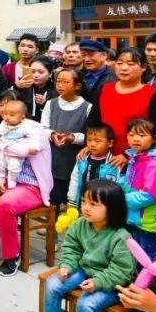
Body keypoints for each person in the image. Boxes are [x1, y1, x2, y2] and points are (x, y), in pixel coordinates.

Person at [37, 179, 135, 312]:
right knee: (53, 284)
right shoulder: (80, 224)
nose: (86, 208)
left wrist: (98, 282)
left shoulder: (121, 236)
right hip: (84, 269)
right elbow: (71, 247)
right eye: (83, 201)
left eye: (93, 204)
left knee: (86, 304)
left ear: (112, 209)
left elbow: (123, 271)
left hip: (112, 283)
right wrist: (67, 265)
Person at [0, 95, 54, 277]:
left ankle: (11, 256)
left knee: (4, 205)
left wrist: (2, 145)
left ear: (22, 112)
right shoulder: (3, 129)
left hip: (31, 185)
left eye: (9, 109)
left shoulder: (35, 129)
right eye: (2, 107)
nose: (4, 113)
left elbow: (27, 150)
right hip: (4, 181)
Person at [85, 47, 156, 168]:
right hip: (105, 159)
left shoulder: (154, 95)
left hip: (138, 163)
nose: (124, 68)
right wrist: (89, 145)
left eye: (131, 64)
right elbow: (93, 122)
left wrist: (128, 154)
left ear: (143, 67)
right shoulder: (104, 90)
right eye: (119, 63)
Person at [116, 118, 156, 259]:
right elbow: (130, 183)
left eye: (142, 135)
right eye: (131, 135)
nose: (136, 139)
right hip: (136, 218)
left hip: (149, 222)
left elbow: (151, 195)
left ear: (154, 139)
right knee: (137, 256)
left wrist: (119, 199)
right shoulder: (136, 157)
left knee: (149, 258)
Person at [41, 67, 91, 208]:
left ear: (77, 85)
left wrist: (72, 138)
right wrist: (52, 135)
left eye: (66, 82)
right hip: (53, 158)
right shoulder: (50, 104)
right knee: (53, 197)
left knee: (73, 194)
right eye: (58, 82)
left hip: (74, 159)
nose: (60, 85)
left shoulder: (87, 107)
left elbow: (89, 136)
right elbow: (42, 128)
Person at [57, 125, 115, 230]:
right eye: (89, 140)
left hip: (102, 208)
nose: (92, 144)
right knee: (82, 229)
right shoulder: (82, 160)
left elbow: (116, 188)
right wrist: (71, 201)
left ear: (110, 143)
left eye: (98, 141)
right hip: (82, 204)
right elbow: (74, 180)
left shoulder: (113, 164)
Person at [0, 97, 42, 190]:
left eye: (12, 115)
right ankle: (0, 181)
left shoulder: (26, 126)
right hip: (3, 152)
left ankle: (12, 181)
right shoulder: (3, 124)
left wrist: (34, 147)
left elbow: (34, 137)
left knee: (14, 166)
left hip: (16, 155)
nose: (7, 117)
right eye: (6, 114)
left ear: (22, 116)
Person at [16, 55, 56, 121]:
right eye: (33, 72)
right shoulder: (23, 86)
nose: (36, 75)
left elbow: (58, 113)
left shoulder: (55, 89)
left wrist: (45, 104)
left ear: (50, 73)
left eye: (40, 72)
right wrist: (17, 87)